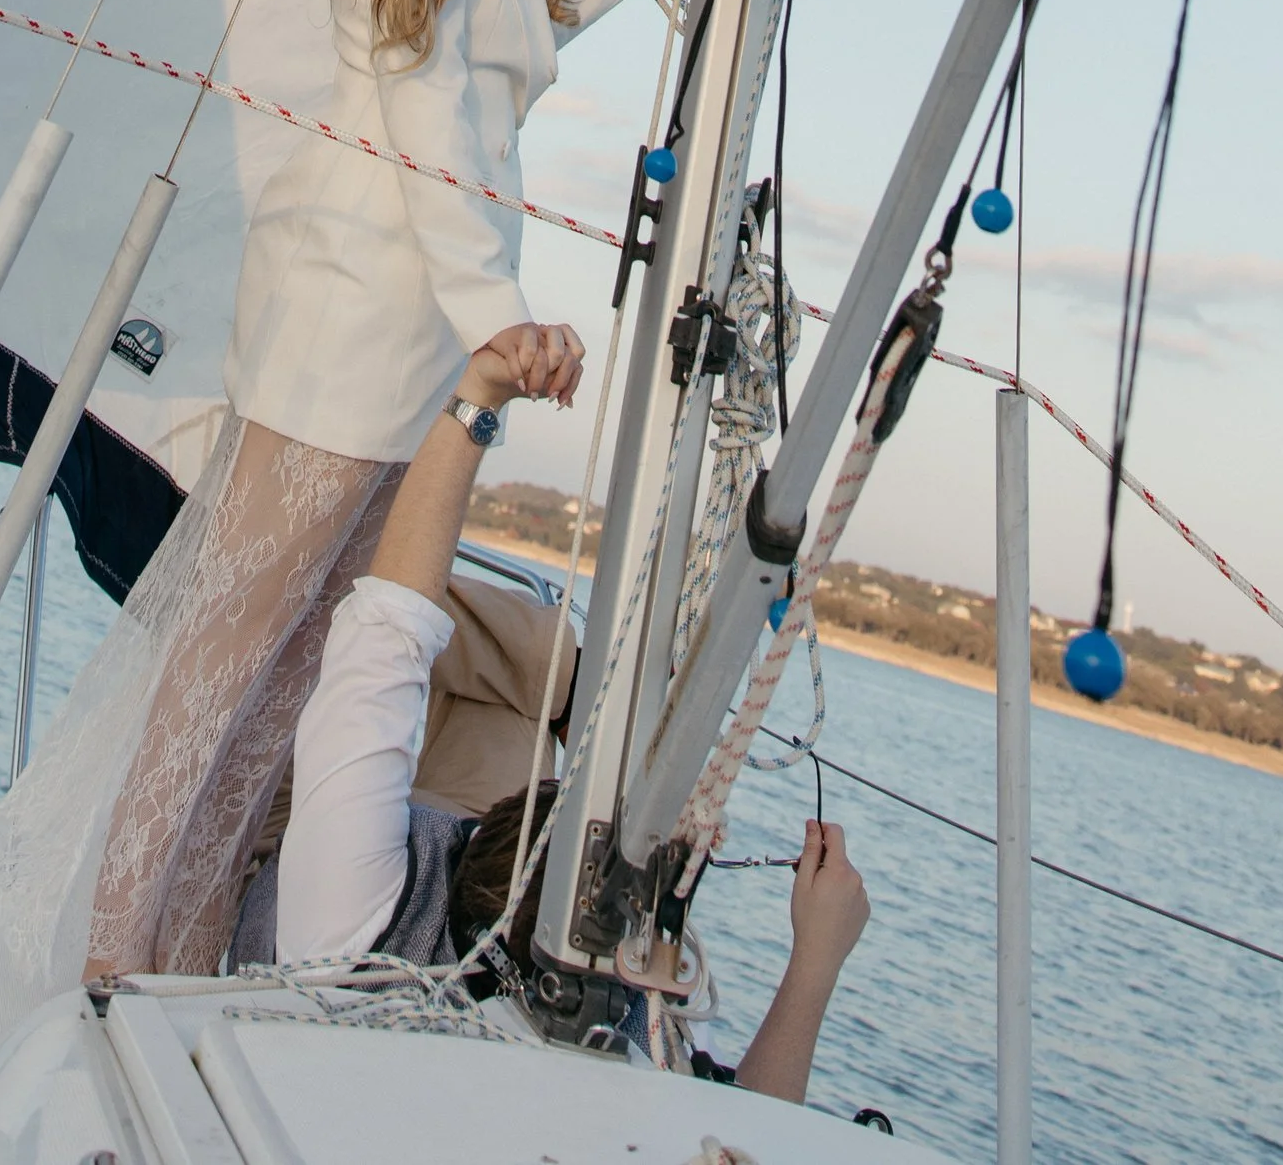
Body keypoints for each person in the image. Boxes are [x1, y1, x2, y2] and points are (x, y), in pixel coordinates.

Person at [71, 0, 696, 983]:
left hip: (399, 331)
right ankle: (113, 952)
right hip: (357, 317)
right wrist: (497, 318)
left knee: (297, 665)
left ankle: (177, 936)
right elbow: (426, 111)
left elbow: (495, 52)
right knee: (230, 650)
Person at [250, 318, 870, 1101]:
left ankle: (532, 674)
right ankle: (570, 689)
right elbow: (755, 1126)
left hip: (323, 872)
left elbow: (386, 638)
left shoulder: (346, 927)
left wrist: (480, 396)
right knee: (540, 669)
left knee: (373, 644)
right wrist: (815, 965)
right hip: (464, 870)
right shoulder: (641, 1021)